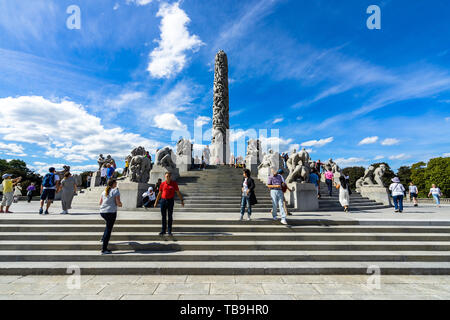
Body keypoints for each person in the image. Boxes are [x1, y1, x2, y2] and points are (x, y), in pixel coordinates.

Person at [154, 172, 184, 237]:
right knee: (163, 216)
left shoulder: (174, 184)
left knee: (170, 216)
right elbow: (159, 193)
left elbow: (178, 192)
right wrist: (156, 202)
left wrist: (181, 200)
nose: (168, 177)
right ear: (165, 177)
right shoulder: (162, 184)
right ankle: (163, 230)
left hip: (170, 201)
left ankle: (169, 231)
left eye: (169, 176)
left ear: (171, 177)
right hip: (163, 201)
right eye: (167, 176)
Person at [99, 179, 122, 254]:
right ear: (113, 184)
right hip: (111, 212)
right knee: (109, 230)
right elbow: (118, 203)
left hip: (102, 212)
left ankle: (103, 238)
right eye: (116, 183)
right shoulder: (115, 191)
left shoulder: (103, 191)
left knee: (108, 226)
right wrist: (121, 204)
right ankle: (104, 249)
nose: (116, 184)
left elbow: (100, 202)